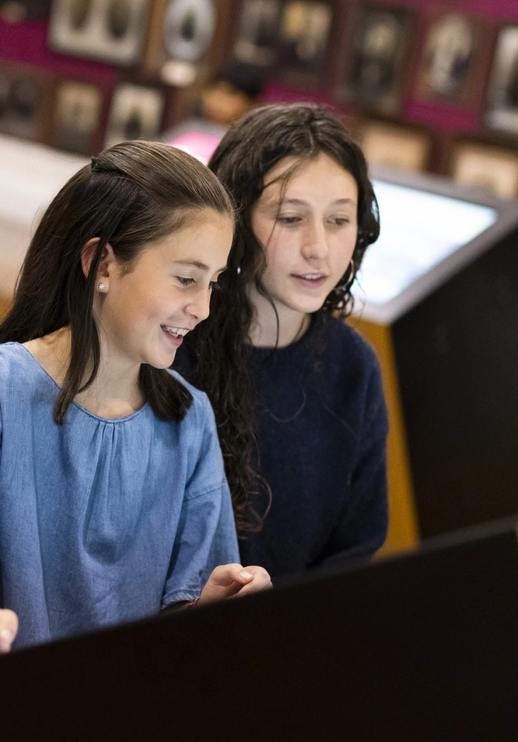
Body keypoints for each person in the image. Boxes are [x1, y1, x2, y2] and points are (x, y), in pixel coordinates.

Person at [0, 141, 271, 683]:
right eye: (186, 278)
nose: (204, 307)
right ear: (100, 263)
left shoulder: (191, 421)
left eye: (212, 283)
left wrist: (207, 612)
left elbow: (169, 638)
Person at [176, 104, 389, 579]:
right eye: (291, 218)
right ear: (233, 218)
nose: (319, 248)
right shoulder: (171, 345)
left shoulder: (354, 367)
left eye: (339, 220)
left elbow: (355, 550)